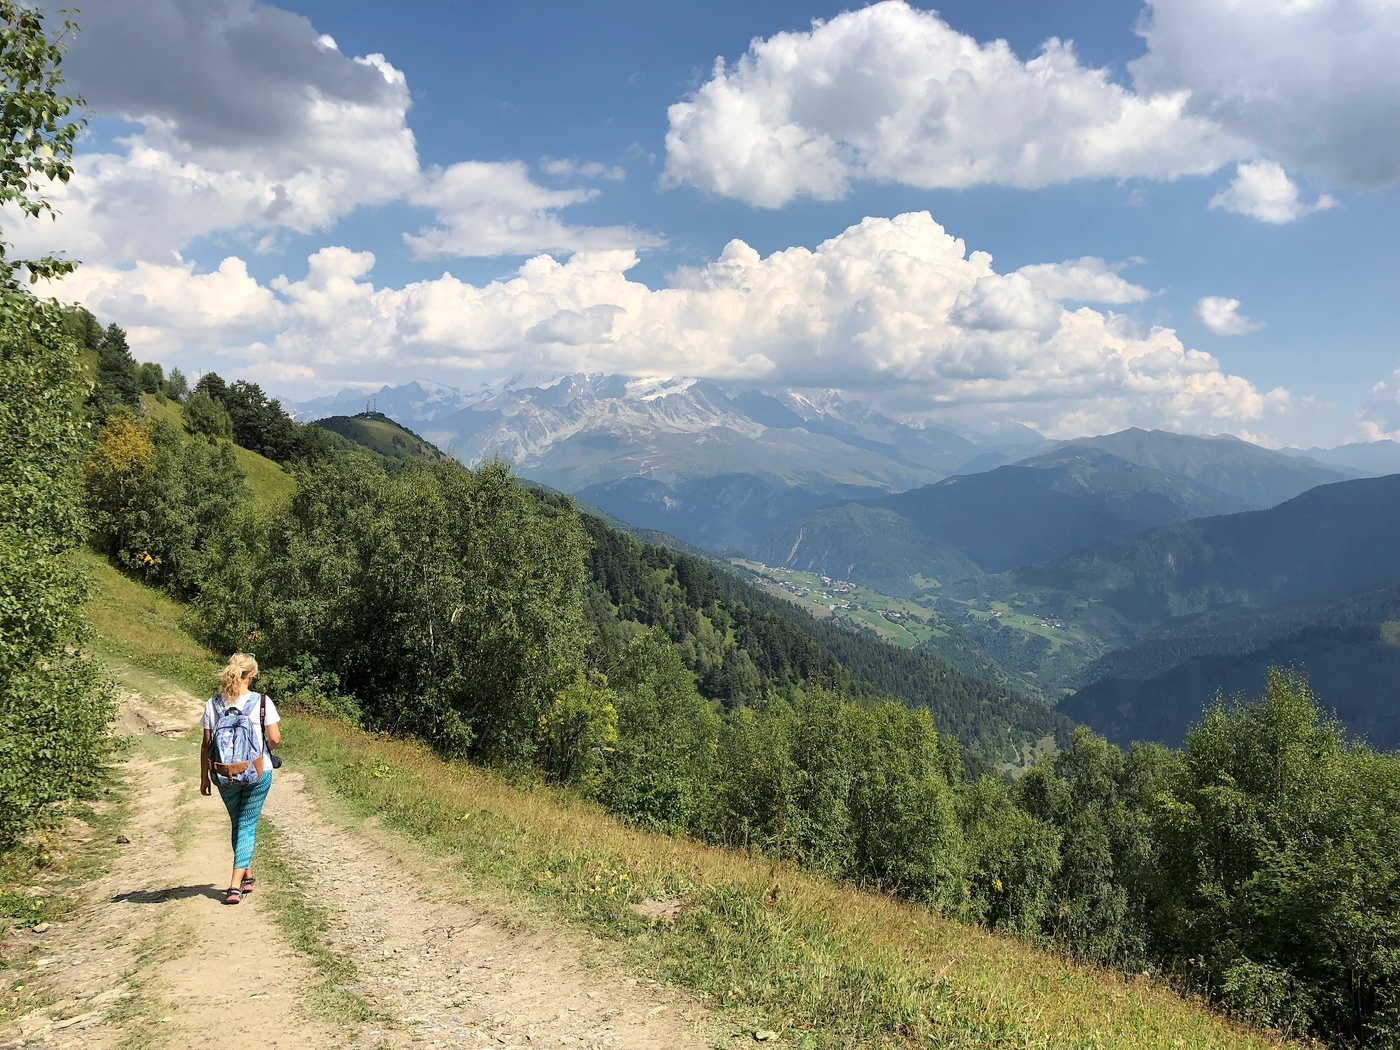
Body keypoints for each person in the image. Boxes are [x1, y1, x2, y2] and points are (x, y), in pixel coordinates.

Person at [200, 652, 281, 905]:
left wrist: (204, 777)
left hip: (224, 773)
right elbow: (276, 739)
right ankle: (234, 886)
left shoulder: (213, 704)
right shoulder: (262, 702)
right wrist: (265, 749)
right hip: (258, 771)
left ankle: (247, 876)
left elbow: (206, 745)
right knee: (246, 825)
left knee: (238, 823)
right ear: (252, 674)